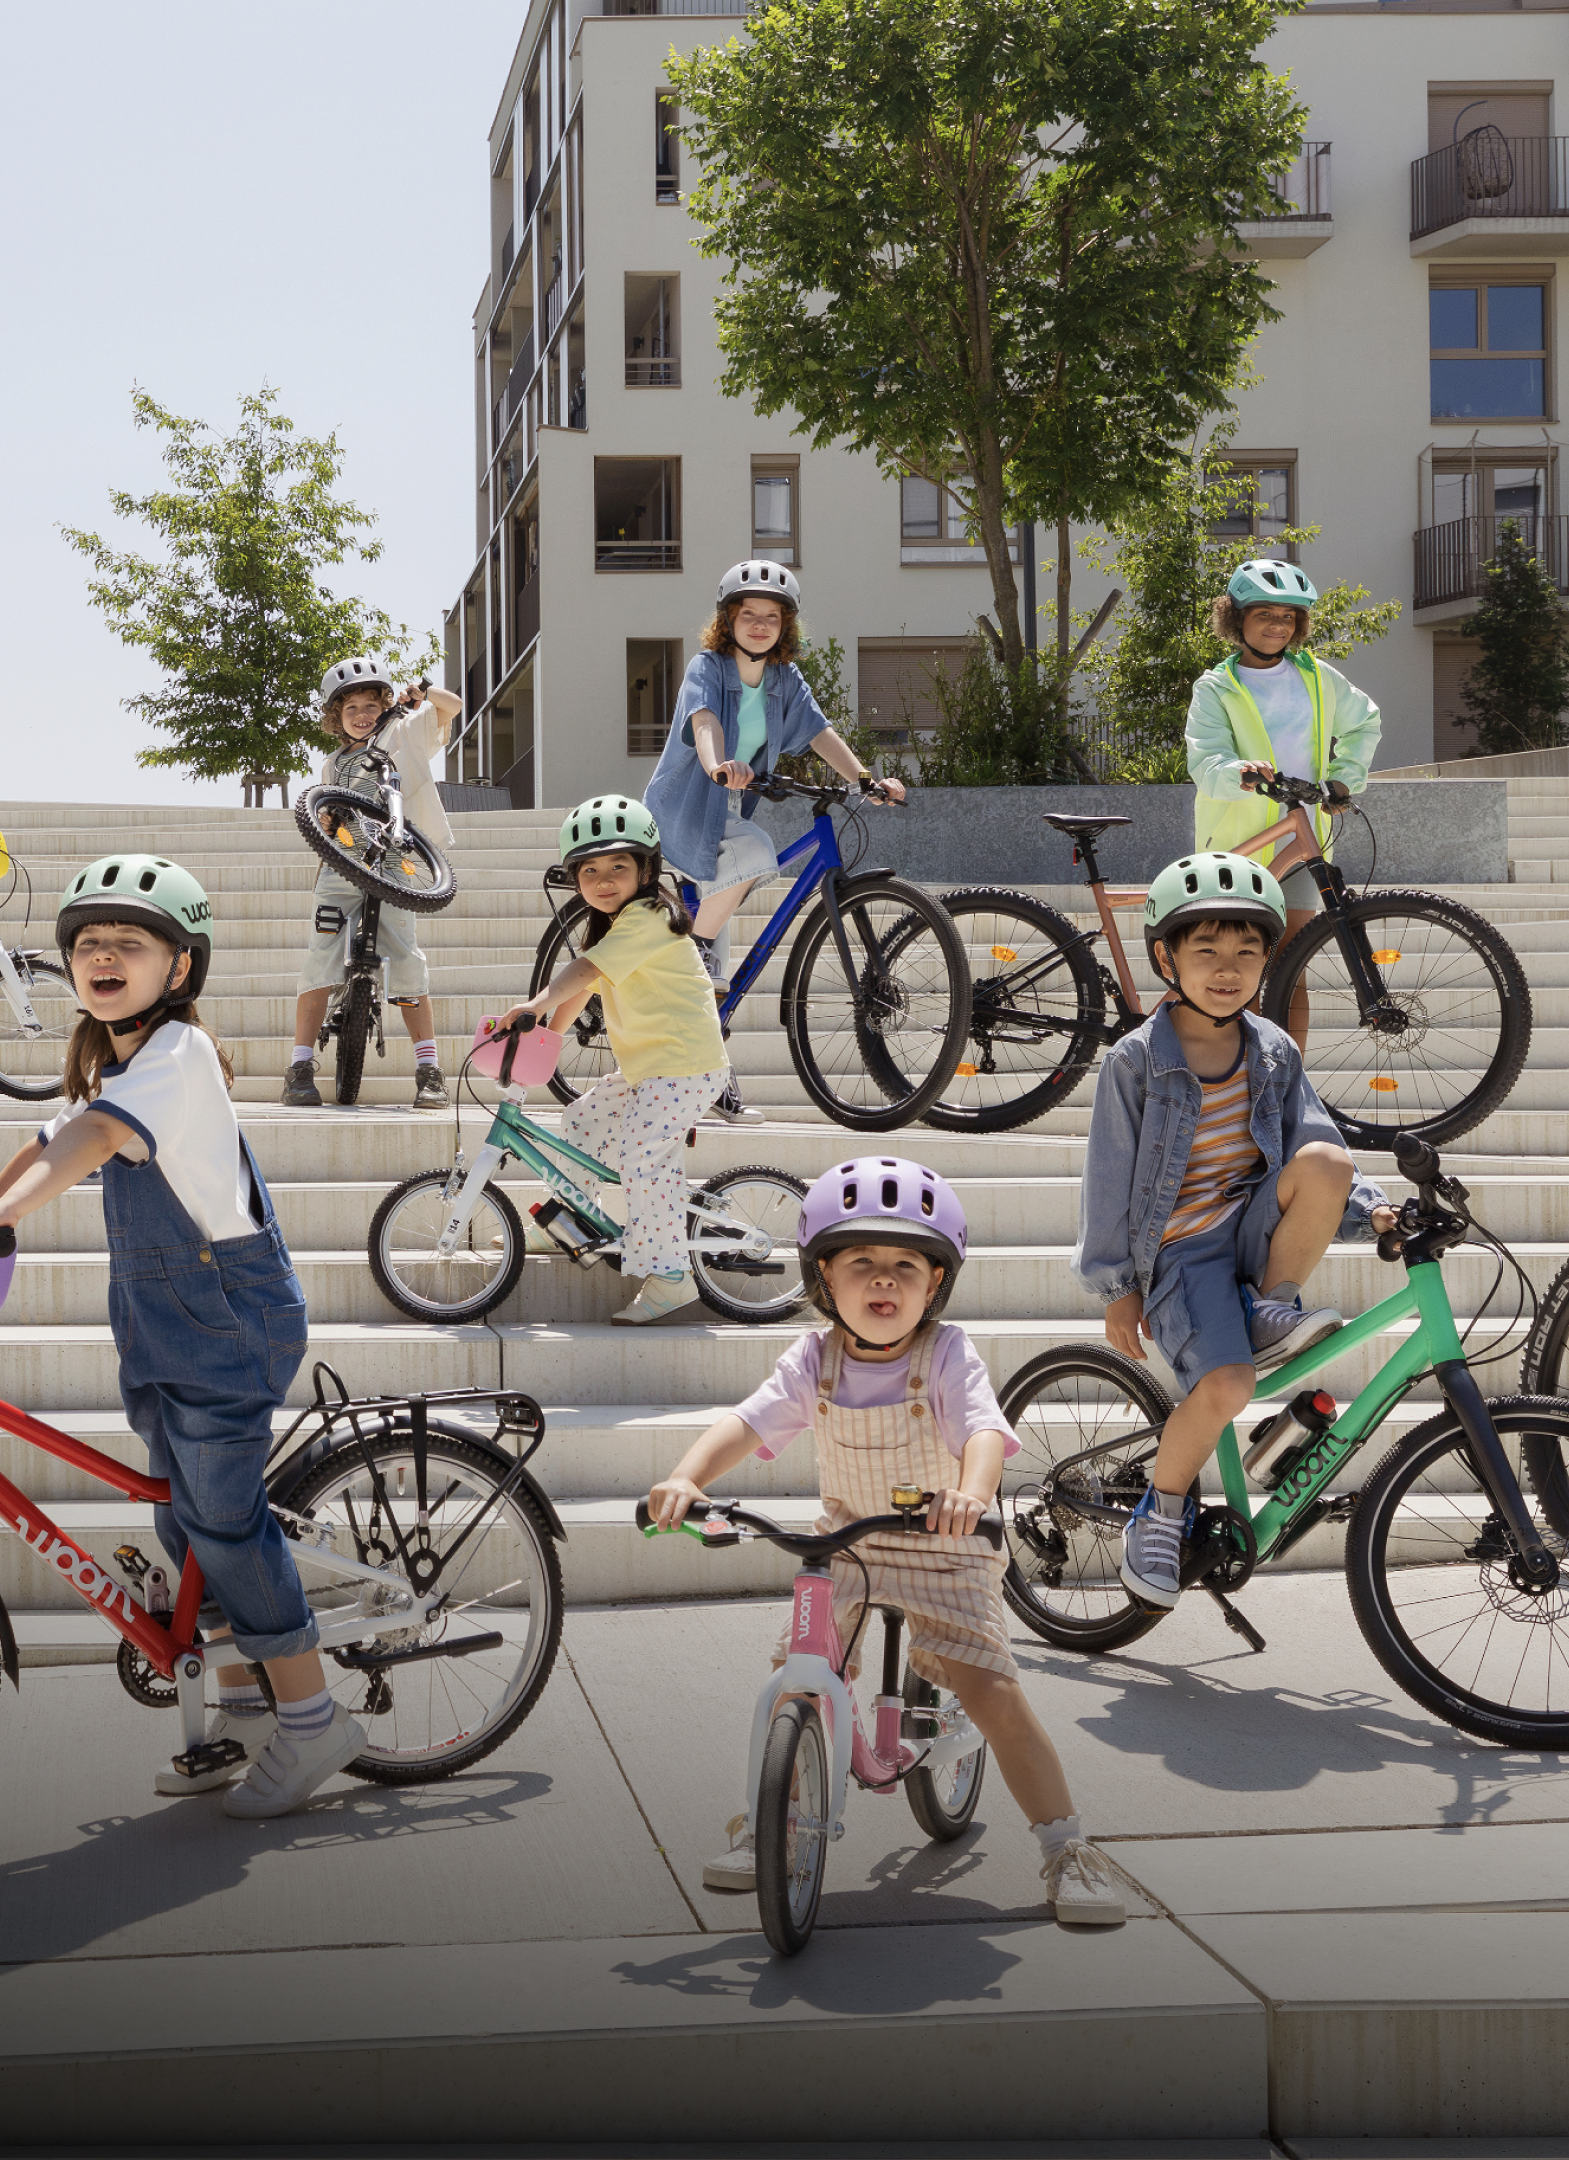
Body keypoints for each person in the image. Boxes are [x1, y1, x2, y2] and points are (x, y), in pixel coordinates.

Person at [0, 854, 363, 1817]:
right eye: (88, 944)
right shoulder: (118, 1063)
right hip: (166, 1325)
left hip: (228, 1318)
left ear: (181, 968)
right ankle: (244, 1708)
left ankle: (312, 1716)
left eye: (131, 943)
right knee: (180, 1516)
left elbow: (80, 1151)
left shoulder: (176, 1057)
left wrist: (8, 1220)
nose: (104, 956)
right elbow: (49, 1139)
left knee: (221, 1520)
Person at [646, 1156, 1138, 1929]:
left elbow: (981, 1428)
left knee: (993, 1695)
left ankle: (1067, 1849)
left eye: (905, 1265)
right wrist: (685, 1477)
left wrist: (972, 1494)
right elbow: (747, 1421)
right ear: (824, 1281)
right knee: (795, 1680)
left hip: (946, 1547)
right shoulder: (814, 1359)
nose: (884, 1281)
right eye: (862, 1264)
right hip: (849, 1546)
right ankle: (766, 1821)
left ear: (935, 1284)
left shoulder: (944, 1354)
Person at [1072, 852, 1394, 1610]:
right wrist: (1116, 1288)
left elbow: (1318, 1137)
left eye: (1248, 952)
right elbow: (1107, 1177)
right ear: (1166, 958)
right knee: (1229, 1385)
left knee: (1324, 1162)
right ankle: (1163, 1509)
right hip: (1182, 1254)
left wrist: (1376, 1208)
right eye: (1206, 951)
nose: (1229, 969)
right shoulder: (1136, 1062)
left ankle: (1268, 1305)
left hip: (1253, 1233)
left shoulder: (1273, 1050)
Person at [644, 558, 907, 1124]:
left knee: (717, 970)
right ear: (728, 621)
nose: (760, 625)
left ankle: (710, 1074)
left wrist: (865, 780)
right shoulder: (708, 667)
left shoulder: (785, 678)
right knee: (758, 855)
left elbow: (817, 731)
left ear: (784, 625)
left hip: (731, 806)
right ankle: (678, 952)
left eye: (771, 616)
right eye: (748, 615)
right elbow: (705, 721)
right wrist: (717, 766)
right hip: (691, 804)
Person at [487, 797, 729, 1326]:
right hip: (652, 1068)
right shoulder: (616, 925)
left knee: (644, 1156)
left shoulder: (648, 917)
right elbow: (588, 979)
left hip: (685, 1066)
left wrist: (534, 1005)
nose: (603, 879)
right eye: (589, 870)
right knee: (581, 1119)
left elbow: (581, 972)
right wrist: (547, 1038)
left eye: (619, 866)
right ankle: (573, 1217)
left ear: (646, 870)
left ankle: (671, 1277)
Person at [1183, 559, 1383, 1044]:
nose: (1277, 625)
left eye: (1288, 617)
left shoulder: (1318, 678)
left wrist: (1343, 779)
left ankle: (1289, 1084)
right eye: (1264, 614)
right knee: (1242, 967)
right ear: (1237, 619)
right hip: (1238, 848)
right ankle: (1236, 1081)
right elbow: (1206, 762)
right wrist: (1240, 773)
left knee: (1292, 963)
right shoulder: (1216, 688)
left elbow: (1364, 722)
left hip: (1300, 837)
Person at [288, 653, 464, 1111]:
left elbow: (453, 706)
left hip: (394, 868)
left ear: (385, 705)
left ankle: (429, 1070)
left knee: (407, 961)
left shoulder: (402, 734)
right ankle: (300, 1065)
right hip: (340, 868)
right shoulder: (332, 766)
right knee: (320, 960)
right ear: (336, 718)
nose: (363, 715)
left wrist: (422, 695)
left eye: (371, 704)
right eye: (351, 709)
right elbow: (323, 817)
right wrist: (326, 824)